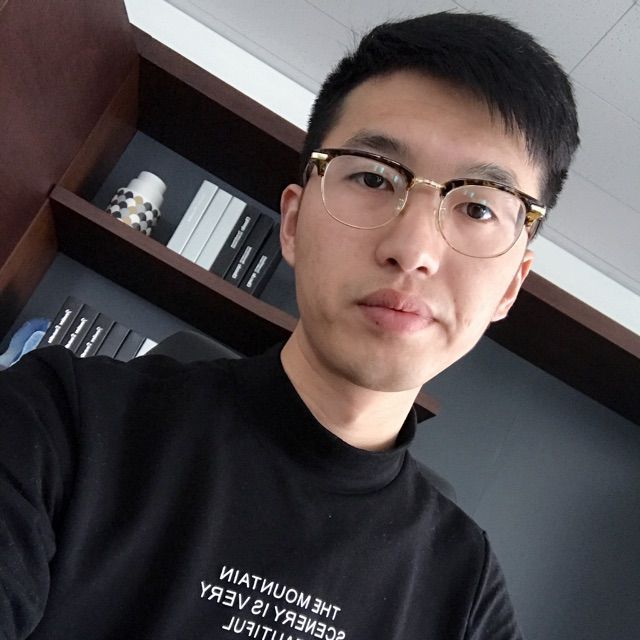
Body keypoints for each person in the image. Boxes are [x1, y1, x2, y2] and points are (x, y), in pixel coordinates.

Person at [0, 11, 578, 640]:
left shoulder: (468, 597)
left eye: (478, 208)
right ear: (295, 224)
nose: (414, 249)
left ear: (510, 287)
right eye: (373, 176)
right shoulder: (57, 419)